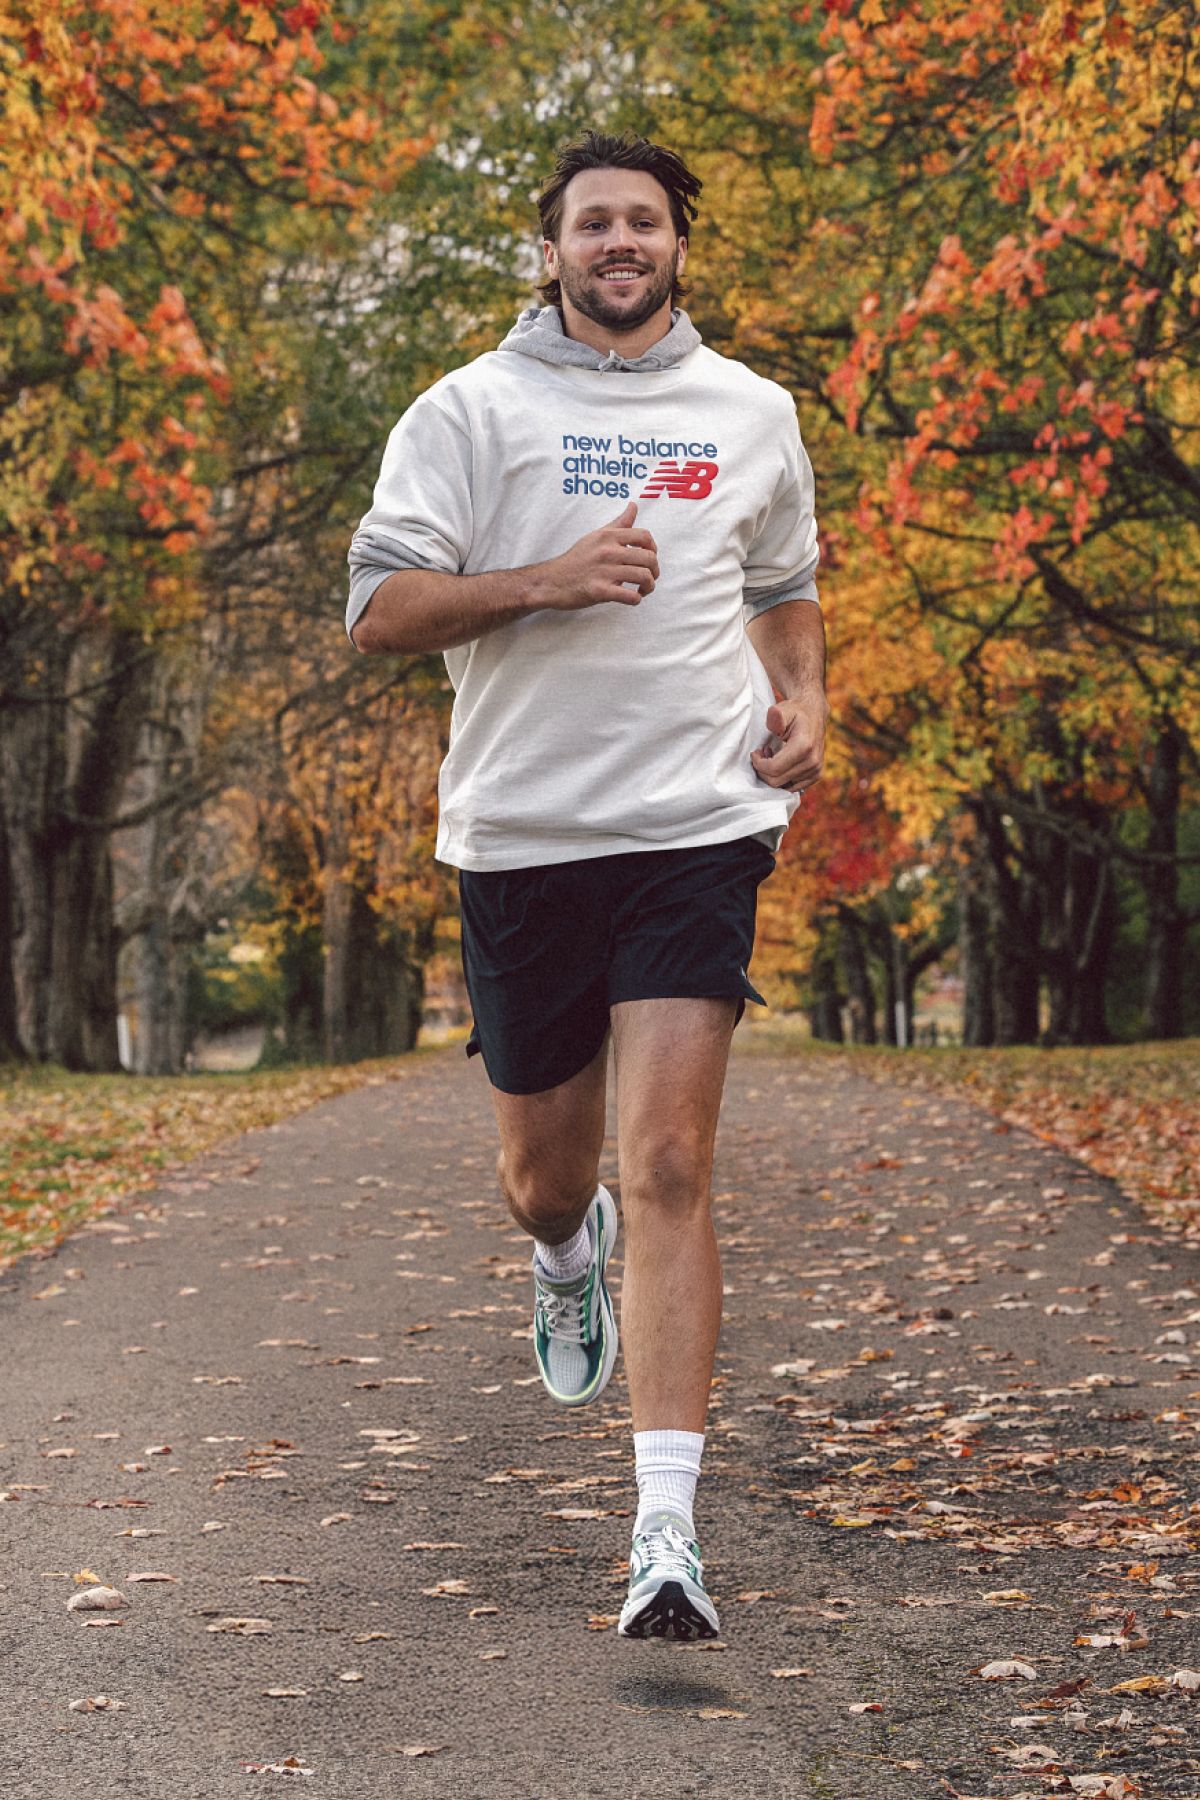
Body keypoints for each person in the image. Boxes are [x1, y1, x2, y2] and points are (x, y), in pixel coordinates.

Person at [346, 130, 826, 1641]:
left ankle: (666, 1534)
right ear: (547, 251)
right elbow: (378, 607)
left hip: (695, 822)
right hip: (524, 834)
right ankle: (566, 1261)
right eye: (591, 223)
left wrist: (806, 697)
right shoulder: (470, 410)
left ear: (681, 243)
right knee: (550, 1179)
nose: (621, 242)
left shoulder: (753, 410)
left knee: (669, 1161)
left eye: (646, 221)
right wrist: (543, 578)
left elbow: (784, 583)